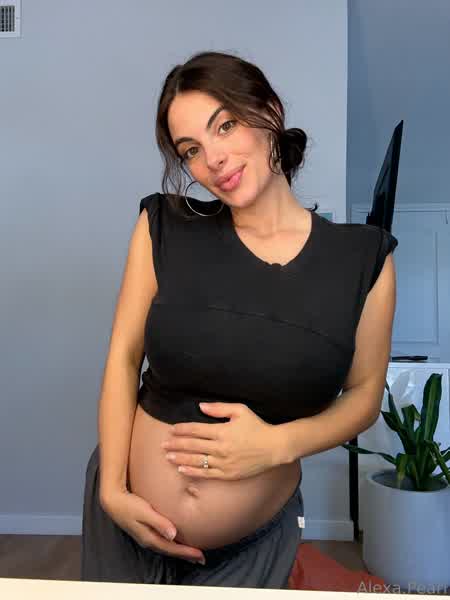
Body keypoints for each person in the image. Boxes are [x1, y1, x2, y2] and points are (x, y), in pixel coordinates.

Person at [80, 50, 398, 589]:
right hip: (127, 516)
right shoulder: (164, 225)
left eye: (224, 126)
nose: (214, 160)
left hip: (251, 548)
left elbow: (365, 396)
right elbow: (123, 359)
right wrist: (112, 488)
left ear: (269, 112)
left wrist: (277, 445)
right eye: (191, 150)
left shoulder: (363, 259)